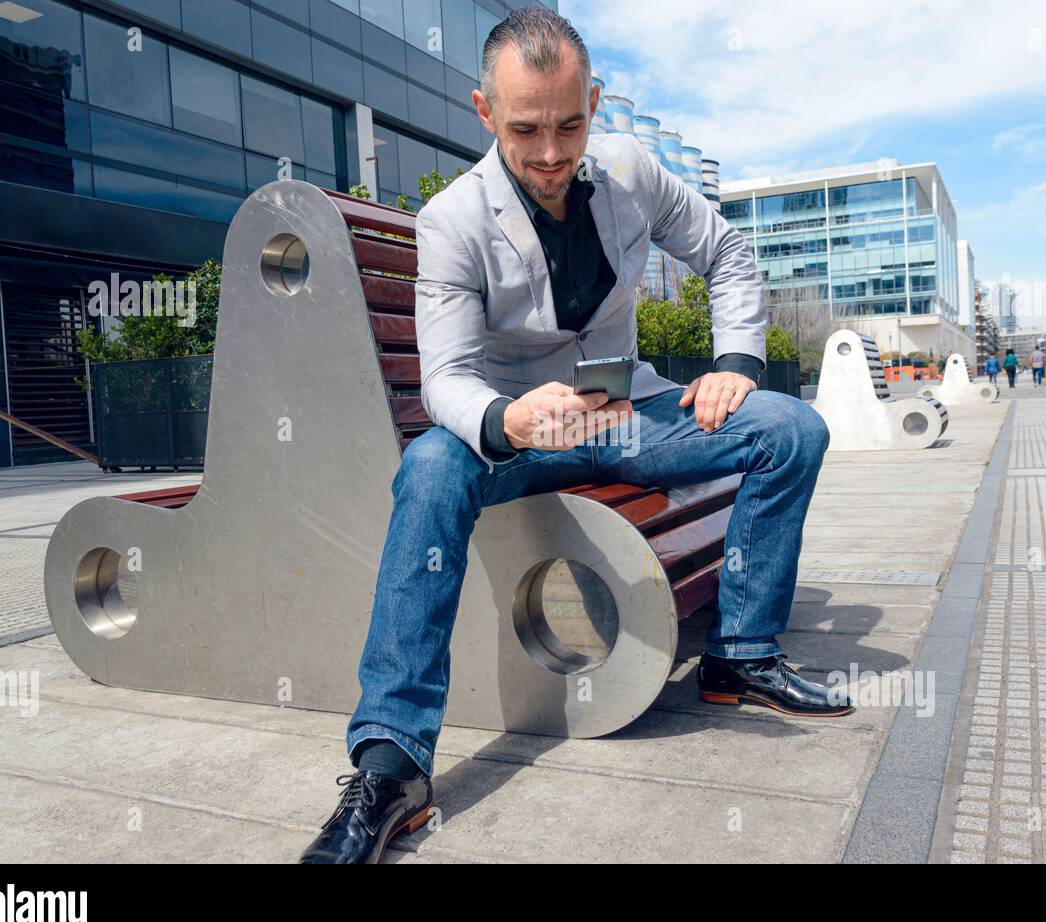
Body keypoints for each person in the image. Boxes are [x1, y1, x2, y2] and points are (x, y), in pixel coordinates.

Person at [298, 7, 851, 865]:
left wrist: (736, 360)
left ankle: (739, 658)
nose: (551, 153)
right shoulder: (453, 222)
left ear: (592, 103)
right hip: (516, 426)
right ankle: (391, 763)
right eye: (526, 129)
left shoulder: (633, 170)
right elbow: (445, 379)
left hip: (626, 407)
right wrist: (506, 420)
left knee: (791, 427)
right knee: (433, 466)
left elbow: (728, 251)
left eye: (569, 124)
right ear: (485, 112)